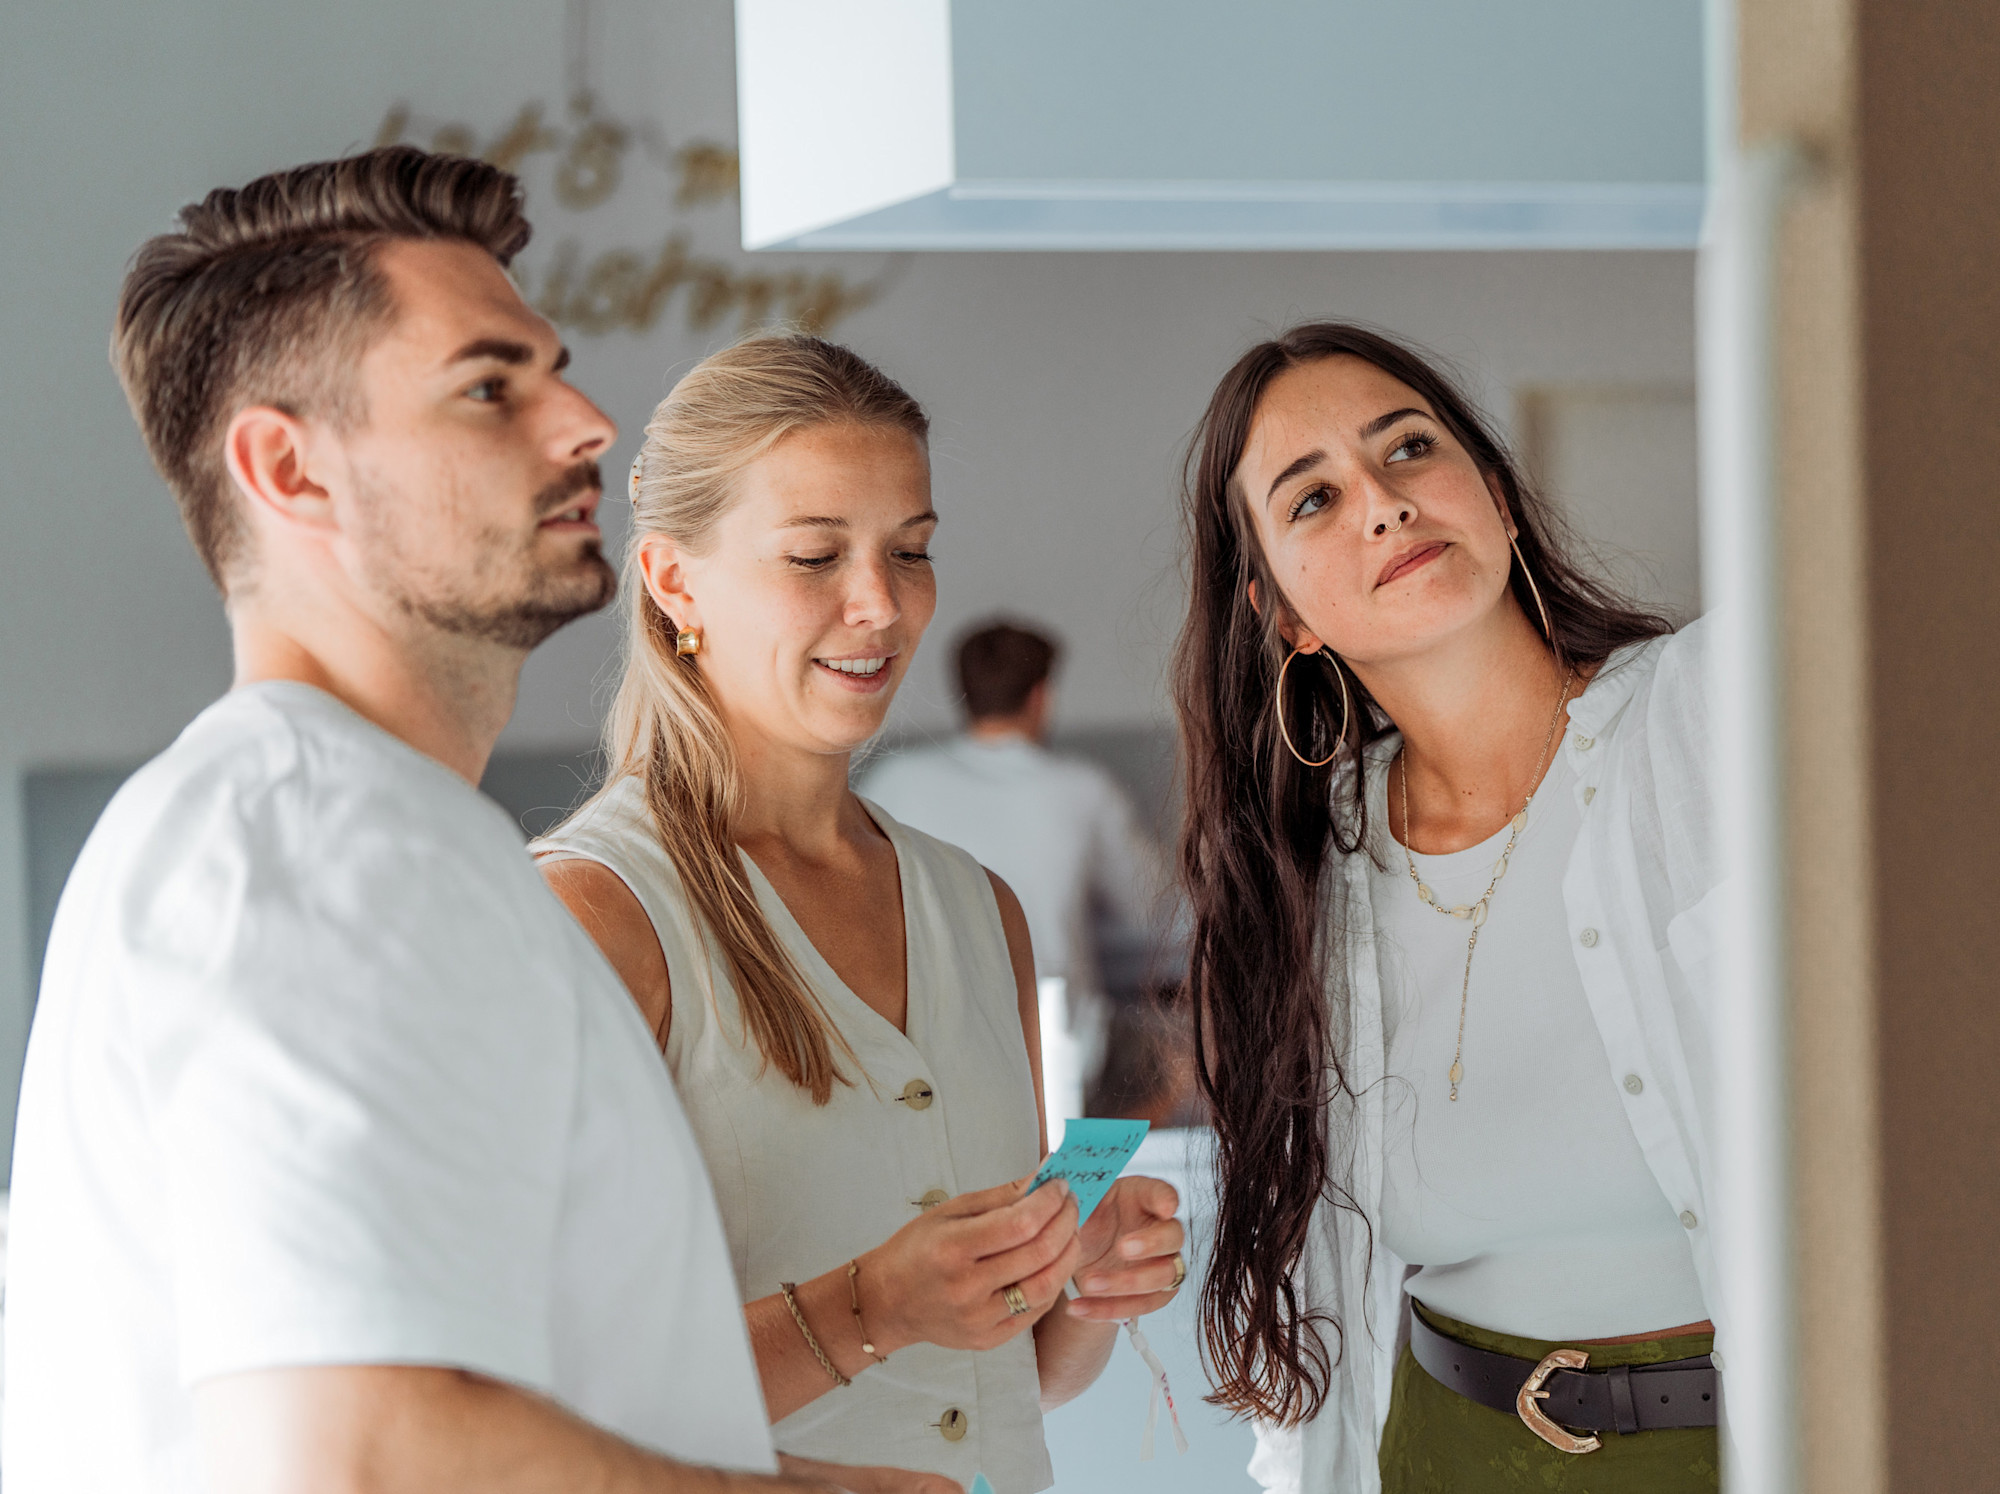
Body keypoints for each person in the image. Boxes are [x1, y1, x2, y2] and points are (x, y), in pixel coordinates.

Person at [2, 147, 932, 1494]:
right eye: (492, 387)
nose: (588, 422)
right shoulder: (325, 836)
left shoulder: (341, 827)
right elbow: (364, 1458)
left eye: (552, 368)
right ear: (289, 468)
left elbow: (449, 1402)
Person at [533, 335, 1186, 1494]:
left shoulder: (976, 910)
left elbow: (1009, 1375)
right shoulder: (593, 914)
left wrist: (1077, 1282)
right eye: (812, 554)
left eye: (911, 549)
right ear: (674, 581)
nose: (879, 605)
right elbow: (544, 1396)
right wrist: (868, 1306)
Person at [1173, 324, 1722, 1493]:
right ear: (1280, 612)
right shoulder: (1306, 882)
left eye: (1408, 448)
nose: (1379, 502)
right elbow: (1313, 1290)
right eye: (1311, 498)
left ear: (1495, 497)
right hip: (1443, 1452)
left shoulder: (1710, 721)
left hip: (1759, 1444)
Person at [857, 621, 1174, 1124]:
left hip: (920, 1049)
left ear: (962, 691)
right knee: (1170, 1061)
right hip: (1056, 1054)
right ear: (1042, 696)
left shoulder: (892, 781)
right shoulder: (1080, 788)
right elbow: (1155, 916)